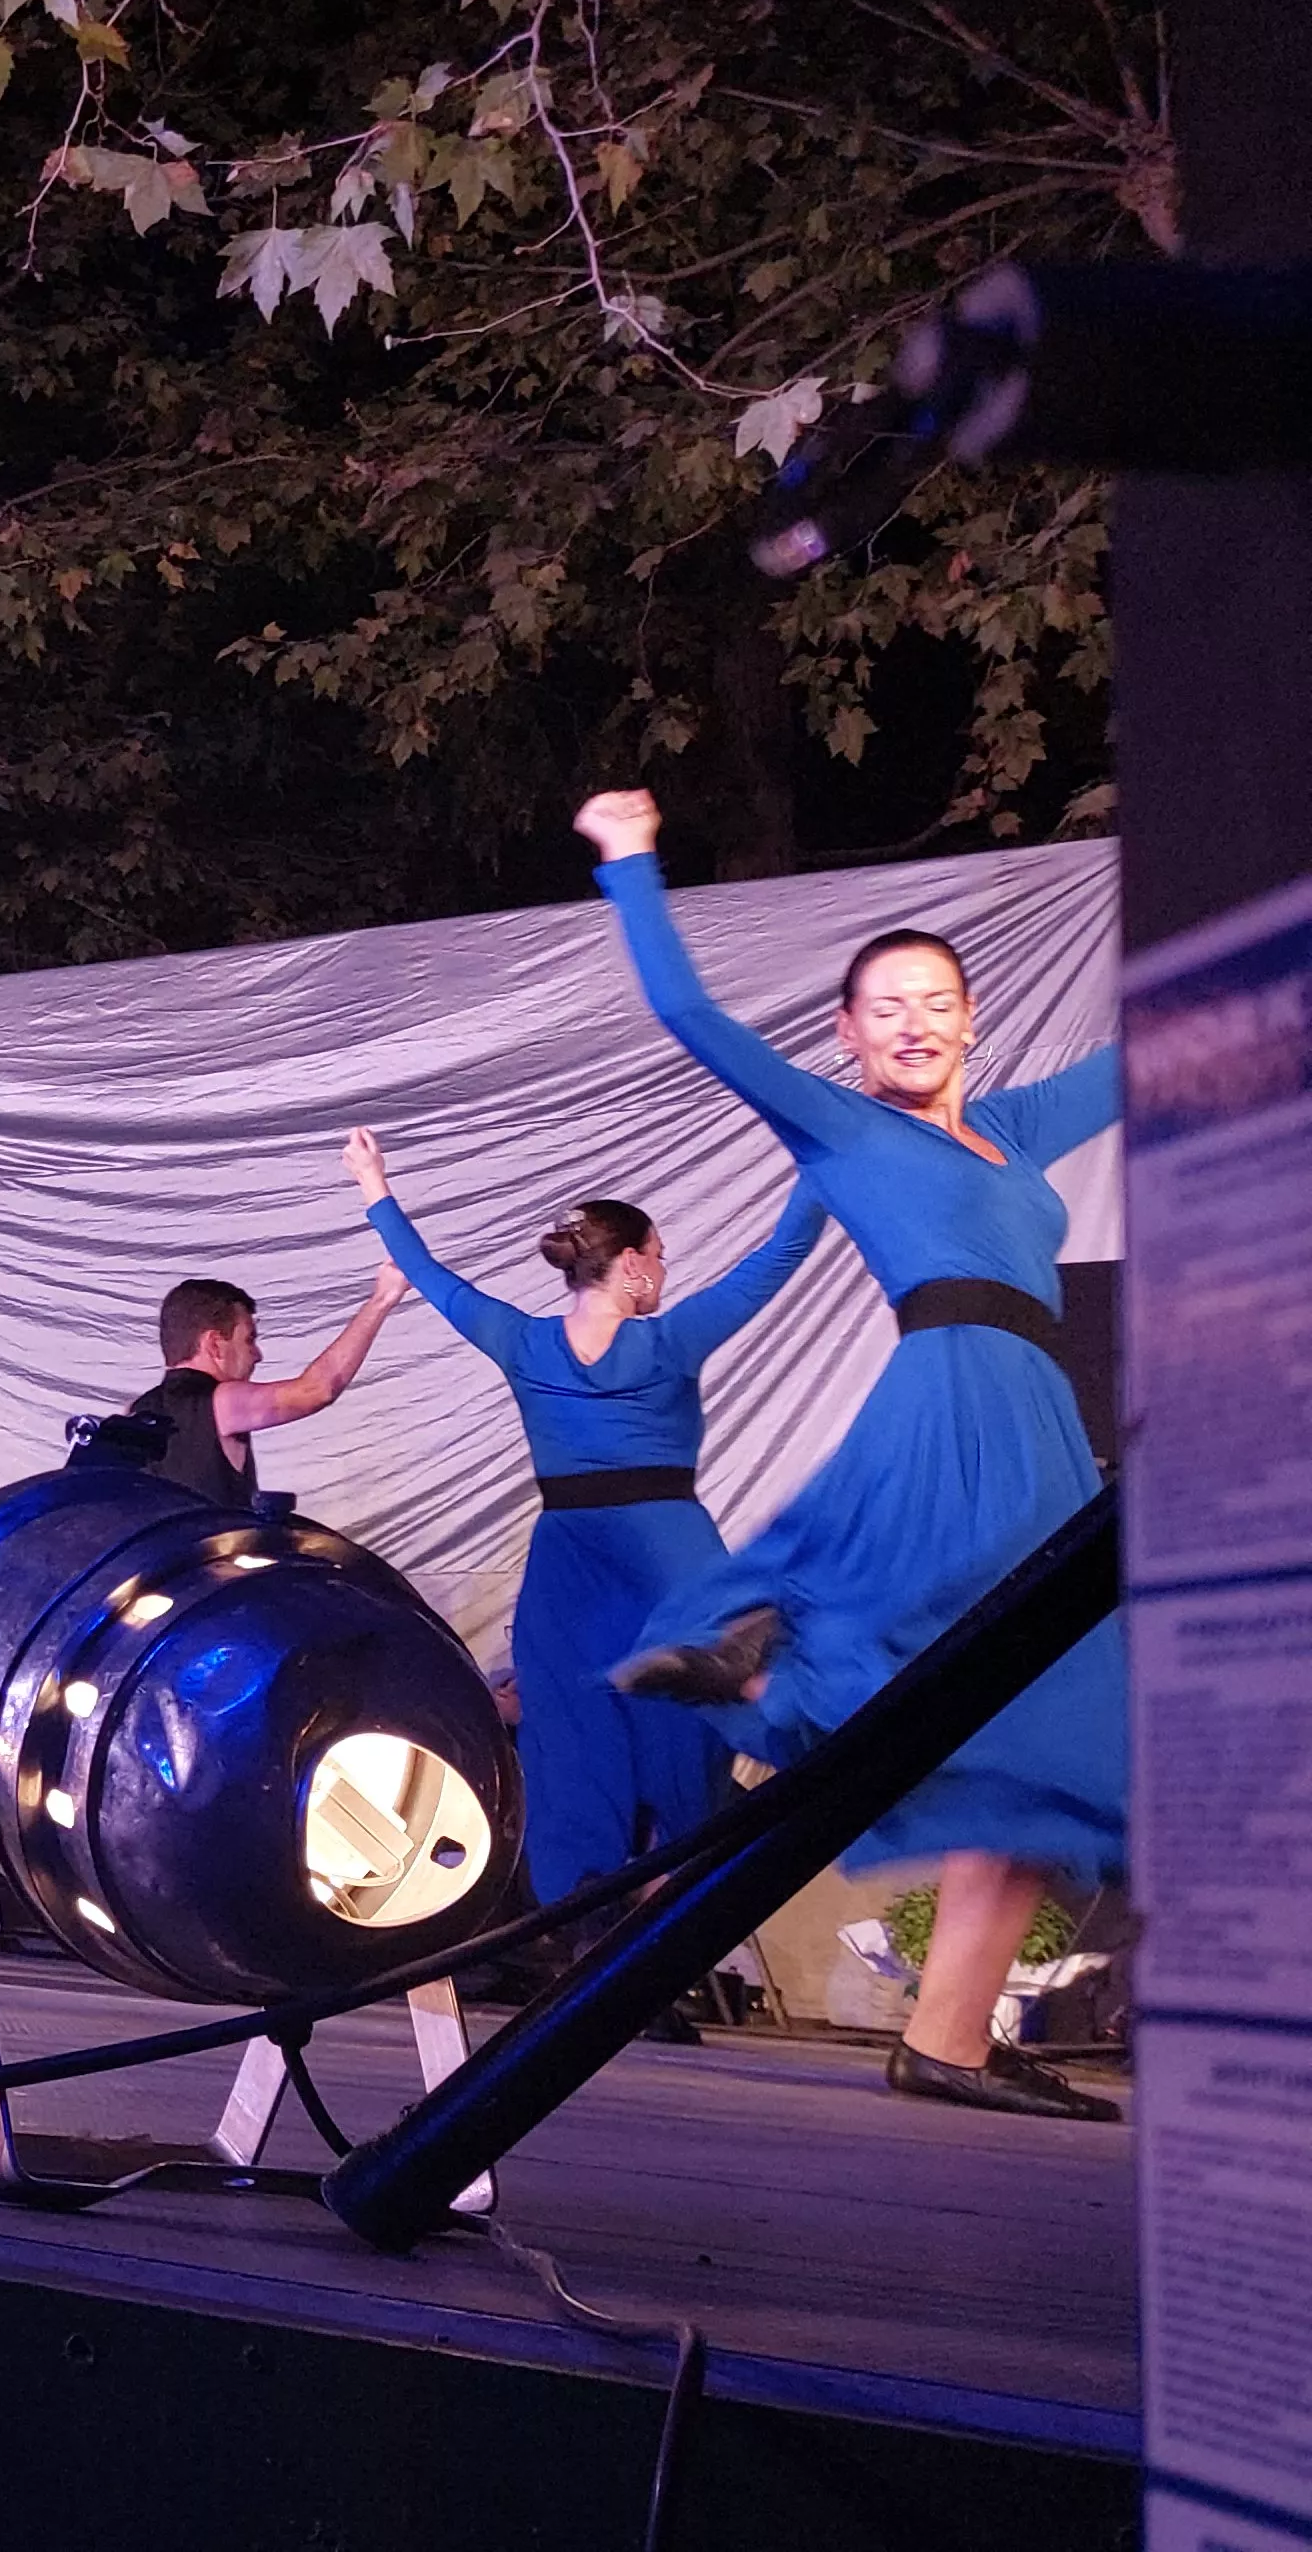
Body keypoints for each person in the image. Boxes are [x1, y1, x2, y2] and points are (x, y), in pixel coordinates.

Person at [571, 787, 1122, 2121]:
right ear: (850, 1038)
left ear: (972, 1019)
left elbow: (1147, 1052)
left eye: (937, 1000)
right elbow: (692, 1022)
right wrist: (636, 861)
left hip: (1041, 1412)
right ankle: (773, 1668)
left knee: (1047, 1751)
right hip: (953, 1394)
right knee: (955, 1666)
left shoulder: (1012, 1131)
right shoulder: (846, 1125)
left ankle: (947, 2042)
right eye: (887, 1007)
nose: (916, 1022)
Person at [345, 1126, 827, 1915]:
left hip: (571, 1559)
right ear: (632, 1264)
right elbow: (777, 1257)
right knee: (682, 1731)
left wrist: (374, 1186)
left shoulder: (525, 1343)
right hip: (668, 1556)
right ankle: (657, 1908)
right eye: (660, 1254)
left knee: (577, 1734)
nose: (665, 1269)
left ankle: (597, 1913)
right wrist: (822, 1154)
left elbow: (434, 1278)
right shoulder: (668, 1340)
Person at [126, 1261, 411, 1513]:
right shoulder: (223, 1402)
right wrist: (382, 1299)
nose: (258, 1355)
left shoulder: (133, 1413)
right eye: (249, 1339)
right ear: (214, 1344)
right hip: (216, 1568)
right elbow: (318, 1390)